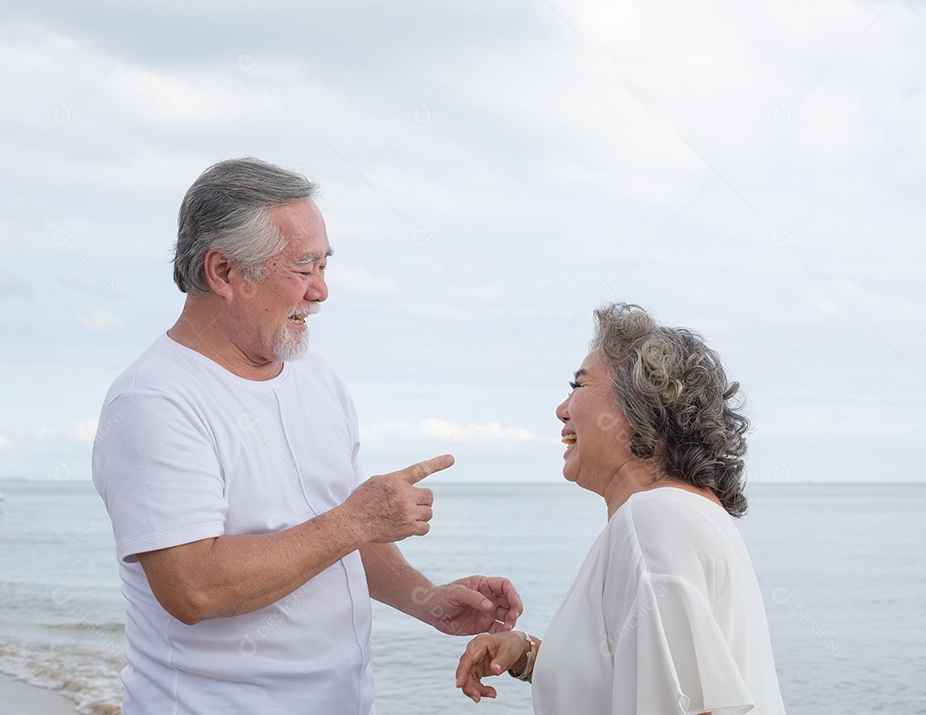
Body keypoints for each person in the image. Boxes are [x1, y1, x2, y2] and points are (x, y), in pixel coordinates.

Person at [91, 157, 522, 715]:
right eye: (304, 267)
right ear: (222, 272)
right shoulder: (154, 402)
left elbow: (333, 537)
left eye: (325, 265)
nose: (322, 291)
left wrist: (428, 600)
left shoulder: (316, 377)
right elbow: (192, 587)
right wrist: (358, 516)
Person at [456, 303, 786, 714]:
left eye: (578, 387)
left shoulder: (651, 523)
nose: (561, 409)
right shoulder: (682, 517)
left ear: (638, 407)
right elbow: (654, 683)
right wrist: (527, 656)